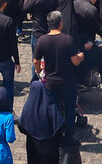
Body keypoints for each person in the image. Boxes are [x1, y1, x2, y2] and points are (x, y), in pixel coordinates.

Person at [32, 10, 84, 141]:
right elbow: (75, 61)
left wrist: (38, 71)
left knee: (53, 109)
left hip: (51, 82)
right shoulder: (67, 39)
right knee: (70, 109)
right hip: (67, 82)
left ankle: (55, 134)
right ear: (60, 23)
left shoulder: (42, 40)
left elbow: (35, 61)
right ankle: (69, 137)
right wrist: (81, 57)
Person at [17, 79, 63, 164]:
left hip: (34, 149)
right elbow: (59, 126)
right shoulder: (51, 107)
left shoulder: (28, 109)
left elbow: (22, 126)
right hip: (50, 150)